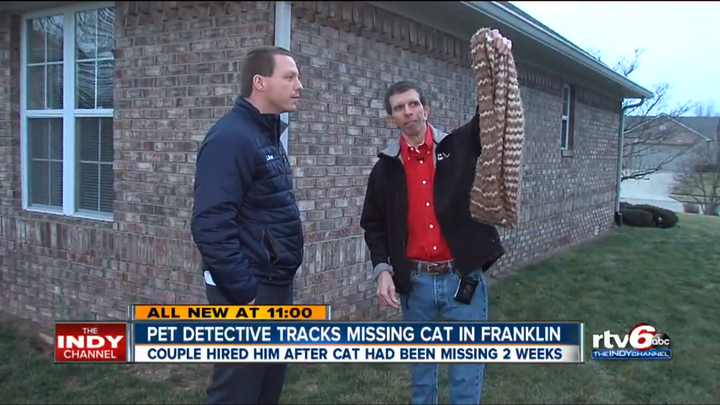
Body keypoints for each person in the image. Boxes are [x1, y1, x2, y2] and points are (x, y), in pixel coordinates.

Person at [359, 31, 513, 405]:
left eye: (413, 104)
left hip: (463, 280)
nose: (408, 112)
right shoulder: (385, 169)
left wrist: (498, 62)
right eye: (399, 107)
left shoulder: (458, 146)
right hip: (416, 285)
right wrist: (383, 269)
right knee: (422, 381)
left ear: (426, 109)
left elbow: (489, 116)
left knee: (465, 377)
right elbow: (373, 224)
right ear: (391, 118)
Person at [190, 46, 304, 405]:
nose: (299, 85)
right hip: (249, 292)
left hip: (274, 284)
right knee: (236, 393)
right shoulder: (231, 138)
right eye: (289, 77)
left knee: (265, 389)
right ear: (260, 82)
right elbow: (210, 223)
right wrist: (244, 292)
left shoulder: (265, 135)